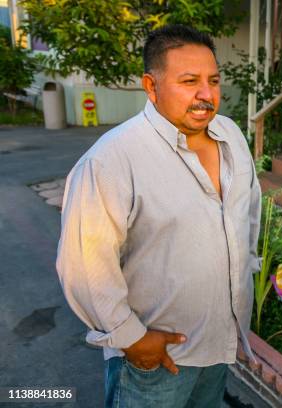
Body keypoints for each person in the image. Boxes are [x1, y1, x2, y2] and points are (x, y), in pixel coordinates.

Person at [56, 25, 261, 407]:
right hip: (155, 361)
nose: (206, 94)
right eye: (189, 81)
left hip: (220, 345)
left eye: (213, 80)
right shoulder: (112, 160)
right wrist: (130, 337)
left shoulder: (231, 135)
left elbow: (247, 213)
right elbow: (84, 265)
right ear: (151, 86)